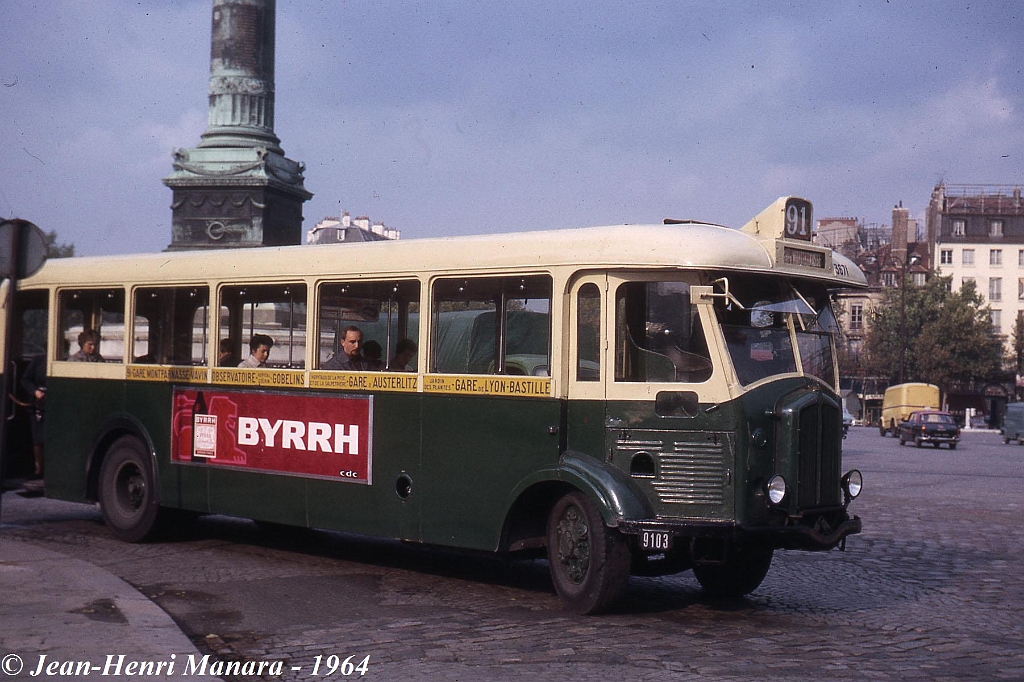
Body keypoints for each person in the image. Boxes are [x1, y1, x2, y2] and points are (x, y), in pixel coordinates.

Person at [20, 355, 46, 479]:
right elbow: (25, 379)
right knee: (38, 438)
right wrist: (35, 391)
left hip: (52, 403)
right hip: (38, 404)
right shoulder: (38, 361)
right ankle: (38, 469)